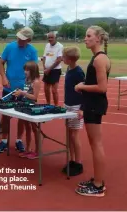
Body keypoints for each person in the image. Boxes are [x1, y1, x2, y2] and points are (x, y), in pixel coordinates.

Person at [74, 26, 110, 197]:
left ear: (98, 38)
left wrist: (82, 86)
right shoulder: (97, 58)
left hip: (95, 104)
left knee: (96, 144)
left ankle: (98, 186)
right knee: (94, 143)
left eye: (88, 36)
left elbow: (103, 87)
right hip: (92, 104)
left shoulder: (99, 59)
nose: (85, 38)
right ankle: (97, 180)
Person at [0, 27, 38, 153]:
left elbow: (33, 69)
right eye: (19, 37)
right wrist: (3, 77)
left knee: (22, 117)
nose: (19, 40)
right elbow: (0, 62)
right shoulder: (10, 47)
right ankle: (4, 140)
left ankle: (19, 140)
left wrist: (30, 86)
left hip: (24, 88)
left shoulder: (32, 51)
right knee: (5, 116)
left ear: (29, 40)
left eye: (23, 39)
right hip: (8, 87)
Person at [62, 46, 85, 176]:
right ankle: (71, 160)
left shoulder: (78, 72)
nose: (62, 59)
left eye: (64, 57)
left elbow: (85, 91)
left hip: (76, 107)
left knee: (74, 135)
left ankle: (78, 161)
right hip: (68, 105)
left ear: (70, 59)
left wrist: (82, 109)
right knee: (69, 134)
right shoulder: (69, 69)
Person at [13, 61, 41, 159]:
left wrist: (22, 93)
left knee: (35, 129)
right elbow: (26, 92)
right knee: (27, 128)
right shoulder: (27, 79)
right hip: (24, 106)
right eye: (25, 69)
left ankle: (38, 151)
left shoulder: (36, 82)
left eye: (27, 70)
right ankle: (28, 149)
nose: (25, 72)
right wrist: (19, 93)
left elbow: (34, 97)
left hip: (32, 107)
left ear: (33, 71)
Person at [42, 32, 63, 106]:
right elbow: (44, 57)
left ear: (55, 38)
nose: (50, 39)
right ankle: (48, 104)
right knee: (46, 89)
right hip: (47, 70)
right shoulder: (47, 45)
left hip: (55, 70)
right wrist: (44, 68)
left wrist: (49, 69)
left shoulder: (60, 46)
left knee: (54, 90)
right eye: (49, 38)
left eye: (52, 37)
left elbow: (59, 59)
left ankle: (56, 106)